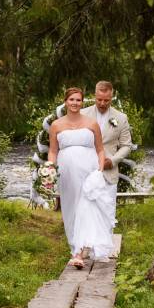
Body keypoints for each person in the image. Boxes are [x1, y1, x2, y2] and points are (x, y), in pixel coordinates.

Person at [48, 88, 115, 270]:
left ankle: (79, 252)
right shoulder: (56, 125)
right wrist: (49, 168)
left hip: (89, 172)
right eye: (71, 99)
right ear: (65, 101)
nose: (75, 103)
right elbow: (53, 151)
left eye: (78, 100)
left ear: (82, 102)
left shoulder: (91, 123)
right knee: (71, 208)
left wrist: (100, 170)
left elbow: (100, 149)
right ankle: (75, 247)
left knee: (86, 207)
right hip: (67, 174)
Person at [80, 81, 133, 236]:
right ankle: (86, 244)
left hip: (109, 172)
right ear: (94, 96)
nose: (102, 103)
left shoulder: (121, 117)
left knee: (107, 212)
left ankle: (106, 245)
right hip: (85, 171)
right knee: (86, 211)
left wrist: (113, 160)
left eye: (106, 100)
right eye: (99, 99)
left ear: (112, 97)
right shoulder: (82, 114)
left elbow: (126, 145)